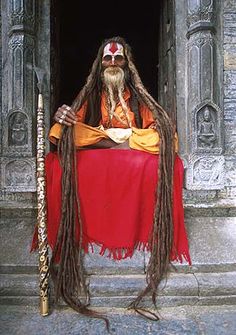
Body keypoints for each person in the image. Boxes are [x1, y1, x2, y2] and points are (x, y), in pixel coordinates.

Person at [38, 36, 190, 326]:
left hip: (125, 143)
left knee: (164, 137)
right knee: (66, 130)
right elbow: (61, 132)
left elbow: (161, 134)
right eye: (107, 59)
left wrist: (151, 127)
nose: (112, 64)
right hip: (102, 140)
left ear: (126, 63)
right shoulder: (92, 94)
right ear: (100, 64)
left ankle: (118, 144)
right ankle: (114, 144)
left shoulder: (137, 96)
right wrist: (65, 115)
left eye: (117, 59)